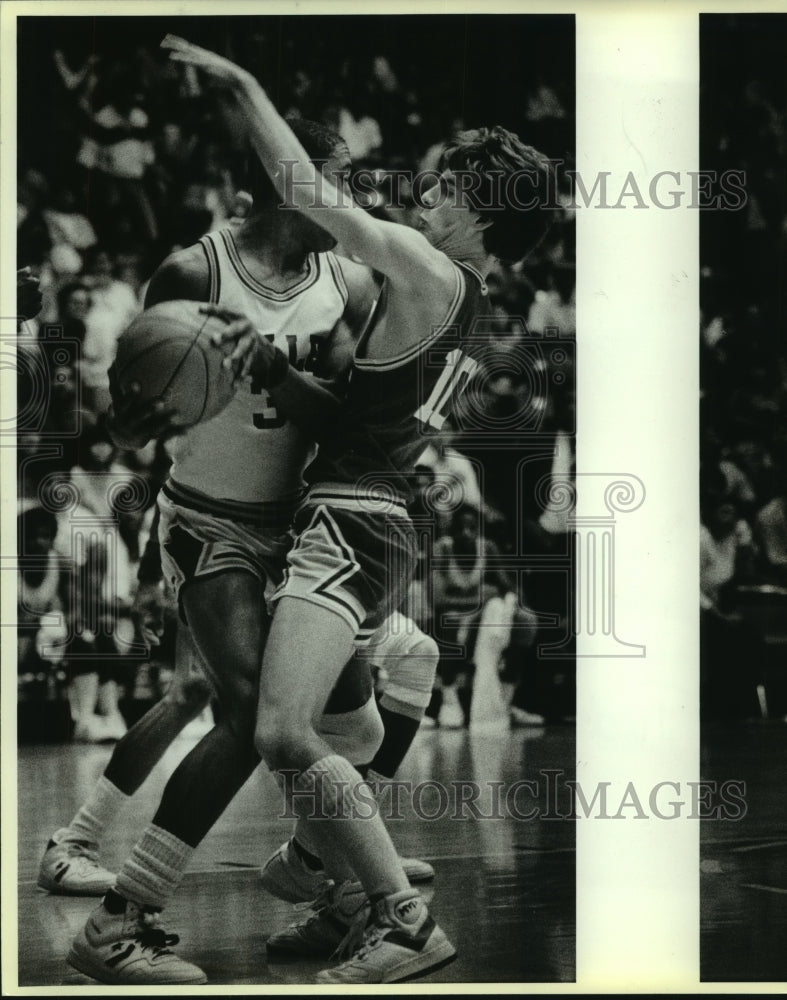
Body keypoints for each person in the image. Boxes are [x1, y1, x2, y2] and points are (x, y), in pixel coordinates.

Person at [126, 36, 554, 986]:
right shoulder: (478, 305)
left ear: (478, 211)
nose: (426, 196)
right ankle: (331, 878)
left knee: (278, 731)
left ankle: (401, 922)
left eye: (444, 189)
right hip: (374, 521)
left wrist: (240, 84)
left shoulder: (428, 271)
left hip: (350, 518)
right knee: (356, 718)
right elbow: (366, 403)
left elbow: (306, 191)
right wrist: (276, 367)